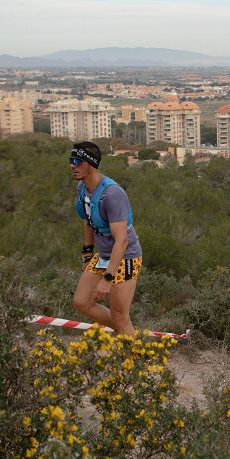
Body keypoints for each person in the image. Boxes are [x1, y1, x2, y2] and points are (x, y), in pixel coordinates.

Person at [70, 142, 141, 336]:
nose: (72, 166)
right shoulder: (82, 188)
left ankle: (132, 359)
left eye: (77, 161)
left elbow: (122, 241)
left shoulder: (112, 195)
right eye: (71, 161)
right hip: (103, 254)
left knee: (119, 314)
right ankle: (127, 331)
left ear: (90, 164)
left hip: (125, 257)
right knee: (82, 302)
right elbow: (88, 220)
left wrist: (107, 279)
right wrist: (86, 254)